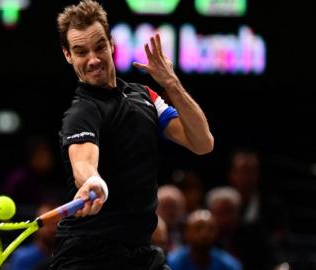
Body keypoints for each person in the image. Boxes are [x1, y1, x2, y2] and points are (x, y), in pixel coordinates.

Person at [51, 1, 214, 269]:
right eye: (81, 52)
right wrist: (92, 182)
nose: (93, 60)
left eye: (99, 47)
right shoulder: (82, 112)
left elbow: (202, 142)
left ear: (112, 44)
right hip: (88, 253)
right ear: (68, 55)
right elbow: (83, 160)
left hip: (139, 251)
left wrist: (171, 83)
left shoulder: (144, 96)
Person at [167, 209, 242, 270]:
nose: (204, 234)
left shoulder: (229, 265)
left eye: (210, 229)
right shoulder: (171, 263)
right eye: (198, 228)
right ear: (186, 233)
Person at [8, 201, 60, 270]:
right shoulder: (21, 257)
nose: (52, 228)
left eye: (56, 223)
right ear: (36, 226)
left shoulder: (68, 256)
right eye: (47, 223)